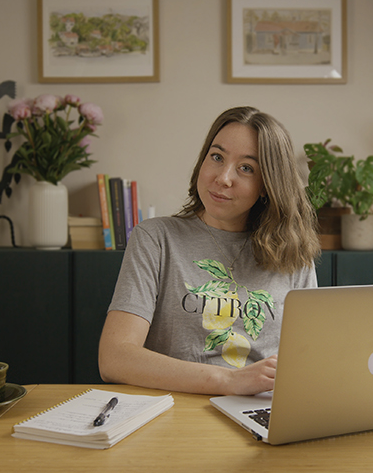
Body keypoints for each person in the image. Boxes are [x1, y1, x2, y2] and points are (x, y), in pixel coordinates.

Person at [98, 106, 320, 395]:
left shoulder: (294, 252)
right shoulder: (155, 238)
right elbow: (114, 359)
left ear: (267, 185)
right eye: (217, 157)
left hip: (262, 412)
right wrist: (227, 380)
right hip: (175, 409)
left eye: (246, 168)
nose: (223, 177)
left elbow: (310, 363)